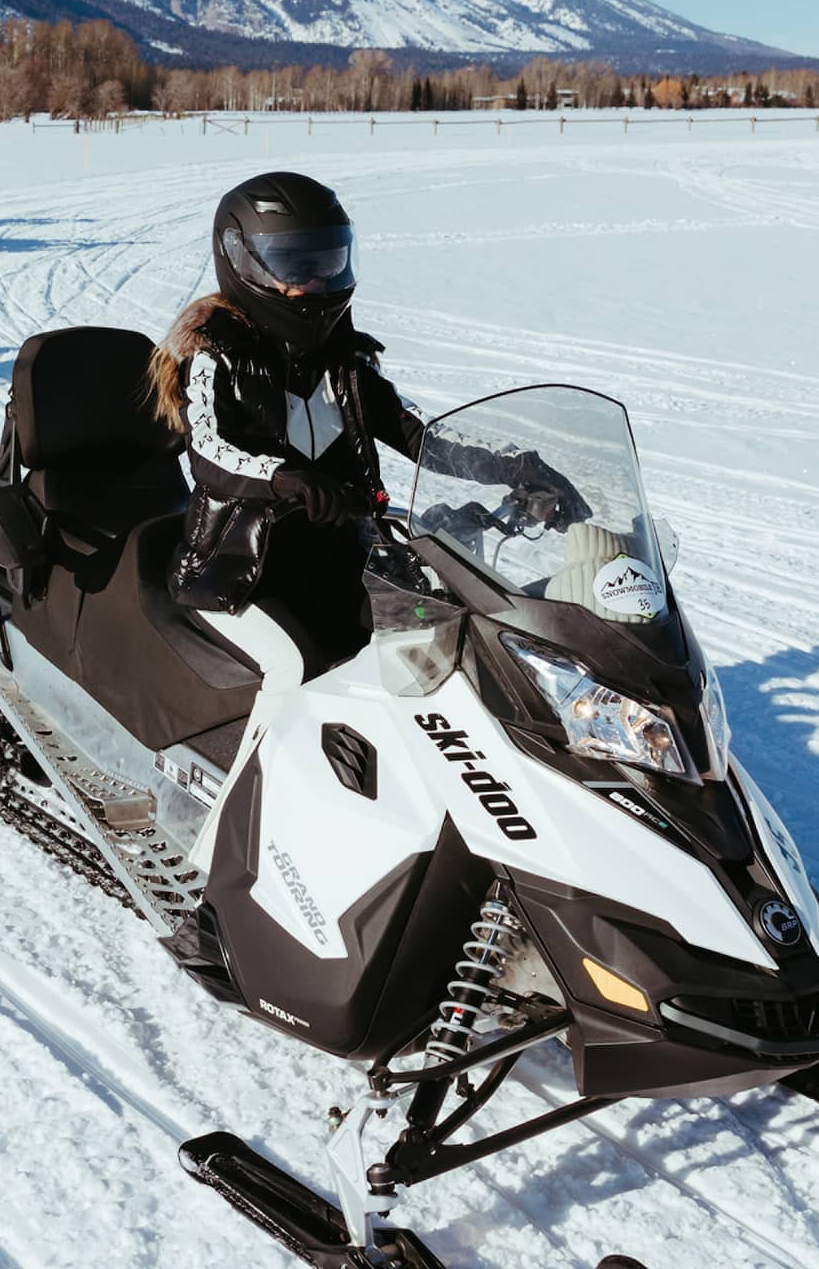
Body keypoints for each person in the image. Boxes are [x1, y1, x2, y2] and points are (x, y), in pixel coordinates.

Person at [148, 172, 581, 866]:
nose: (312, 285)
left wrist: (516, 466)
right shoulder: (216, 354)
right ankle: (225, 857)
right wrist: (283, 480)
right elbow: (213, 453)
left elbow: (419, 432)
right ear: (242, 262)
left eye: (326, 262)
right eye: (293, 266)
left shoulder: (344, 359)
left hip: (346, 553)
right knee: (296, 670)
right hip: (242, 566)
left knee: (433, 648)